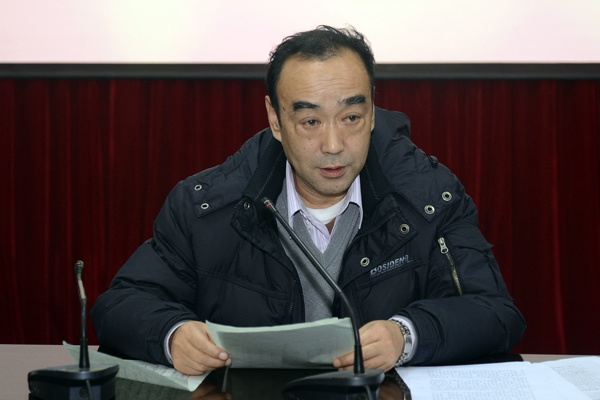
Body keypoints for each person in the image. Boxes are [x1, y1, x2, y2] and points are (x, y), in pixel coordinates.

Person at [91, 26, 526, 375]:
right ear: (275, 119)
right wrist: (172, 334)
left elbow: (495, 313)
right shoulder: (207, 207)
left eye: (351, 117)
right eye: (310, 121)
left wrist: (406, 335)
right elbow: (120, 305)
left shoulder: (429, 197)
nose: (334, 145)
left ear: (372, 113)